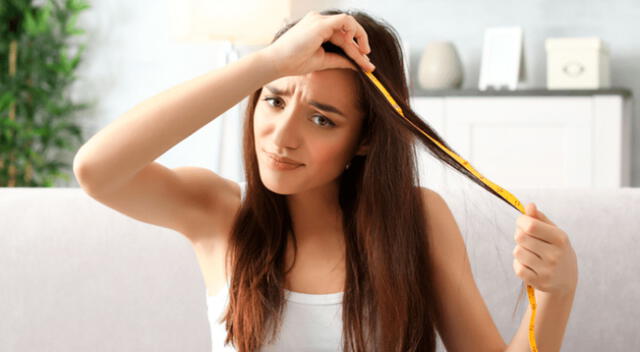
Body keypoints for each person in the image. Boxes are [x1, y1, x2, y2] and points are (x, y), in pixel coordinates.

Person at [73, 8, 578, 352]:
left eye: (322, 120)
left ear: (363, 139)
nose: (282, 136)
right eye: (273, 100)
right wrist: (269, 62)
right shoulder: (218, 212)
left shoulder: (416, 220)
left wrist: (557, 293)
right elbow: (96, 170)